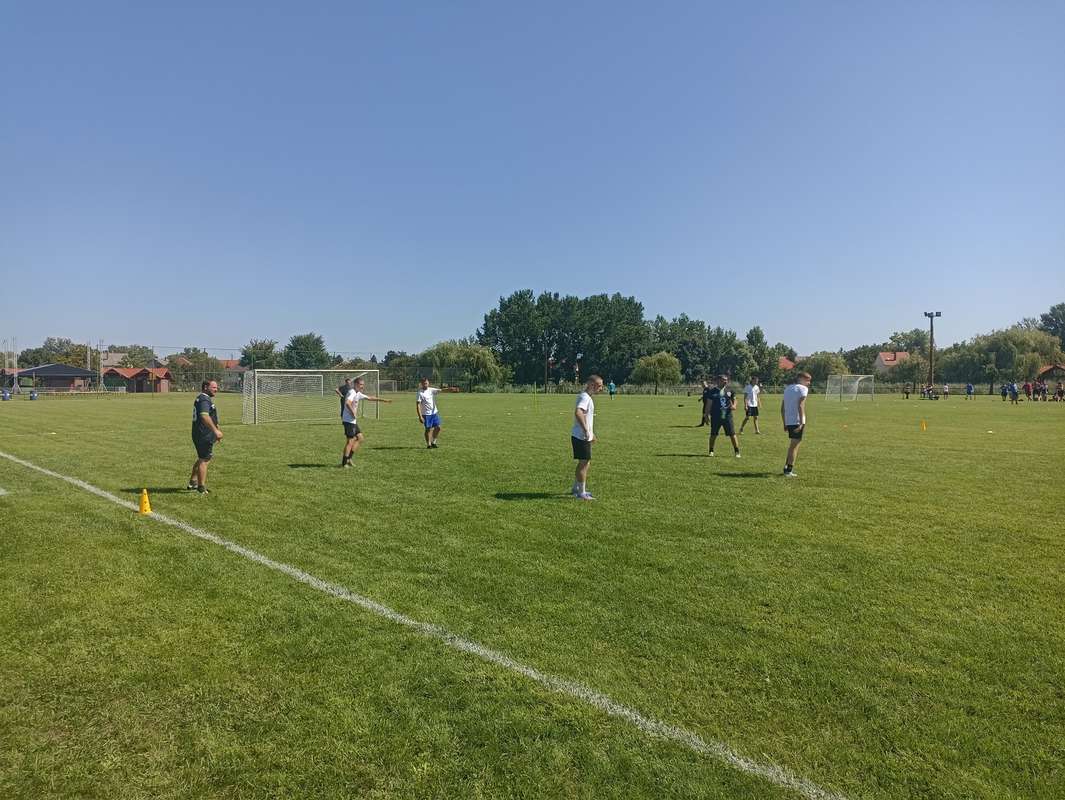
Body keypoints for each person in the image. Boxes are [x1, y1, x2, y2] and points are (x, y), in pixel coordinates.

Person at [340, 377, 392, 467]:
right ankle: (344, 463)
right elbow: (348, 403)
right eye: (361, 384)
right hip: (348, 420)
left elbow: (370, 398)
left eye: (363, 385)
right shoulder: (352, 392)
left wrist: (383, 400)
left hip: (352, 421)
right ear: (355, 384)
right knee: (350, 441)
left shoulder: (358, 393)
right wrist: (353, 413)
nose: (362, 386)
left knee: (360, 438)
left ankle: (349, 459)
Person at [570, 375, 604, 500]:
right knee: (584, 463)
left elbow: (585, 416)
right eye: (599, 386)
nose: (601, 388)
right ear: (591, 385)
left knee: (585, 463)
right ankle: (581, 493)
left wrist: (591, 433)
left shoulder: (587, 397)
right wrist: (585, 431)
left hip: (583, 435)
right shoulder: (585, 397)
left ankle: (576, 488)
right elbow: (578, 412)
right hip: (581, 436)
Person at [188, 379, 222, 494]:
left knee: (202, 457)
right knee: (205, 459)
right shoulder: (204, 399)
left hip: (201, 433)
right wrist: (215, 431)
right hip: (203, 434)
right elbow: (204, 416)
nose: (216, 390)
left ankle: (193, 482)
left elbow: (210, 416)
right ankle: (201, 488)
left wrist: (217, 428)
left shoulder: (203, 398)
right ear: (206, 387)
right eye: (214, 387)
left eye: (216, 387)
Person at [780, 372, 811, 477]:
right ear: (800, 378)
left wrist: (785, 423)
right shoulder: (803, 389)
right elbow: (801, 406)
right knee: (794, 446)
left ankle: (786, 467)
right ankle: (789, 470)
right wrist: (801, 423)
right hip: (797, 421)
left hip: (789, 421)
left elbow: (782, 408)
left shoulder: (787, 389)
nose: (809, 383)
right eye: (807, 380)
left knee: (792, 445)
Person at [707, 374, 741, 458]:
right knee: (713, 434)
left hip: (727, 416)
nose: (725, 381)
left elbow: (735, 399)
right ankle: (711, 451)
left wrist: (734, 405)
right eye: (723, 380)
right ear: (718, 381)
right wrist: (706, 415)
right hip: (716, 416)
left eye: (726, 380)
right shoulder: (712, 391)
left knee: (732, 434)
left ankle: (737, 451)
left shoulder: (729, 391)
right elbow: (709, 404)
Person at [416, 376, 443, 449]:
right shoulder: (420, 393)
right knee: (428, 429)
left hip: (434, 413)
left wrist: (450, 389)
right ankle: (429, 444)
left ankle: (433, 442)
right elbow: (418, 405)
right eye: (424, 383)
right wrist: (420, 416)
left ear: (428, 383)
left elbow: (441, 390)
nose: (425, 384)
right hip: (426, 415)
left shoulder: (431, 390)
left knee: (438, 428)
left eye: (426, 383)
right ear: (421, 384)